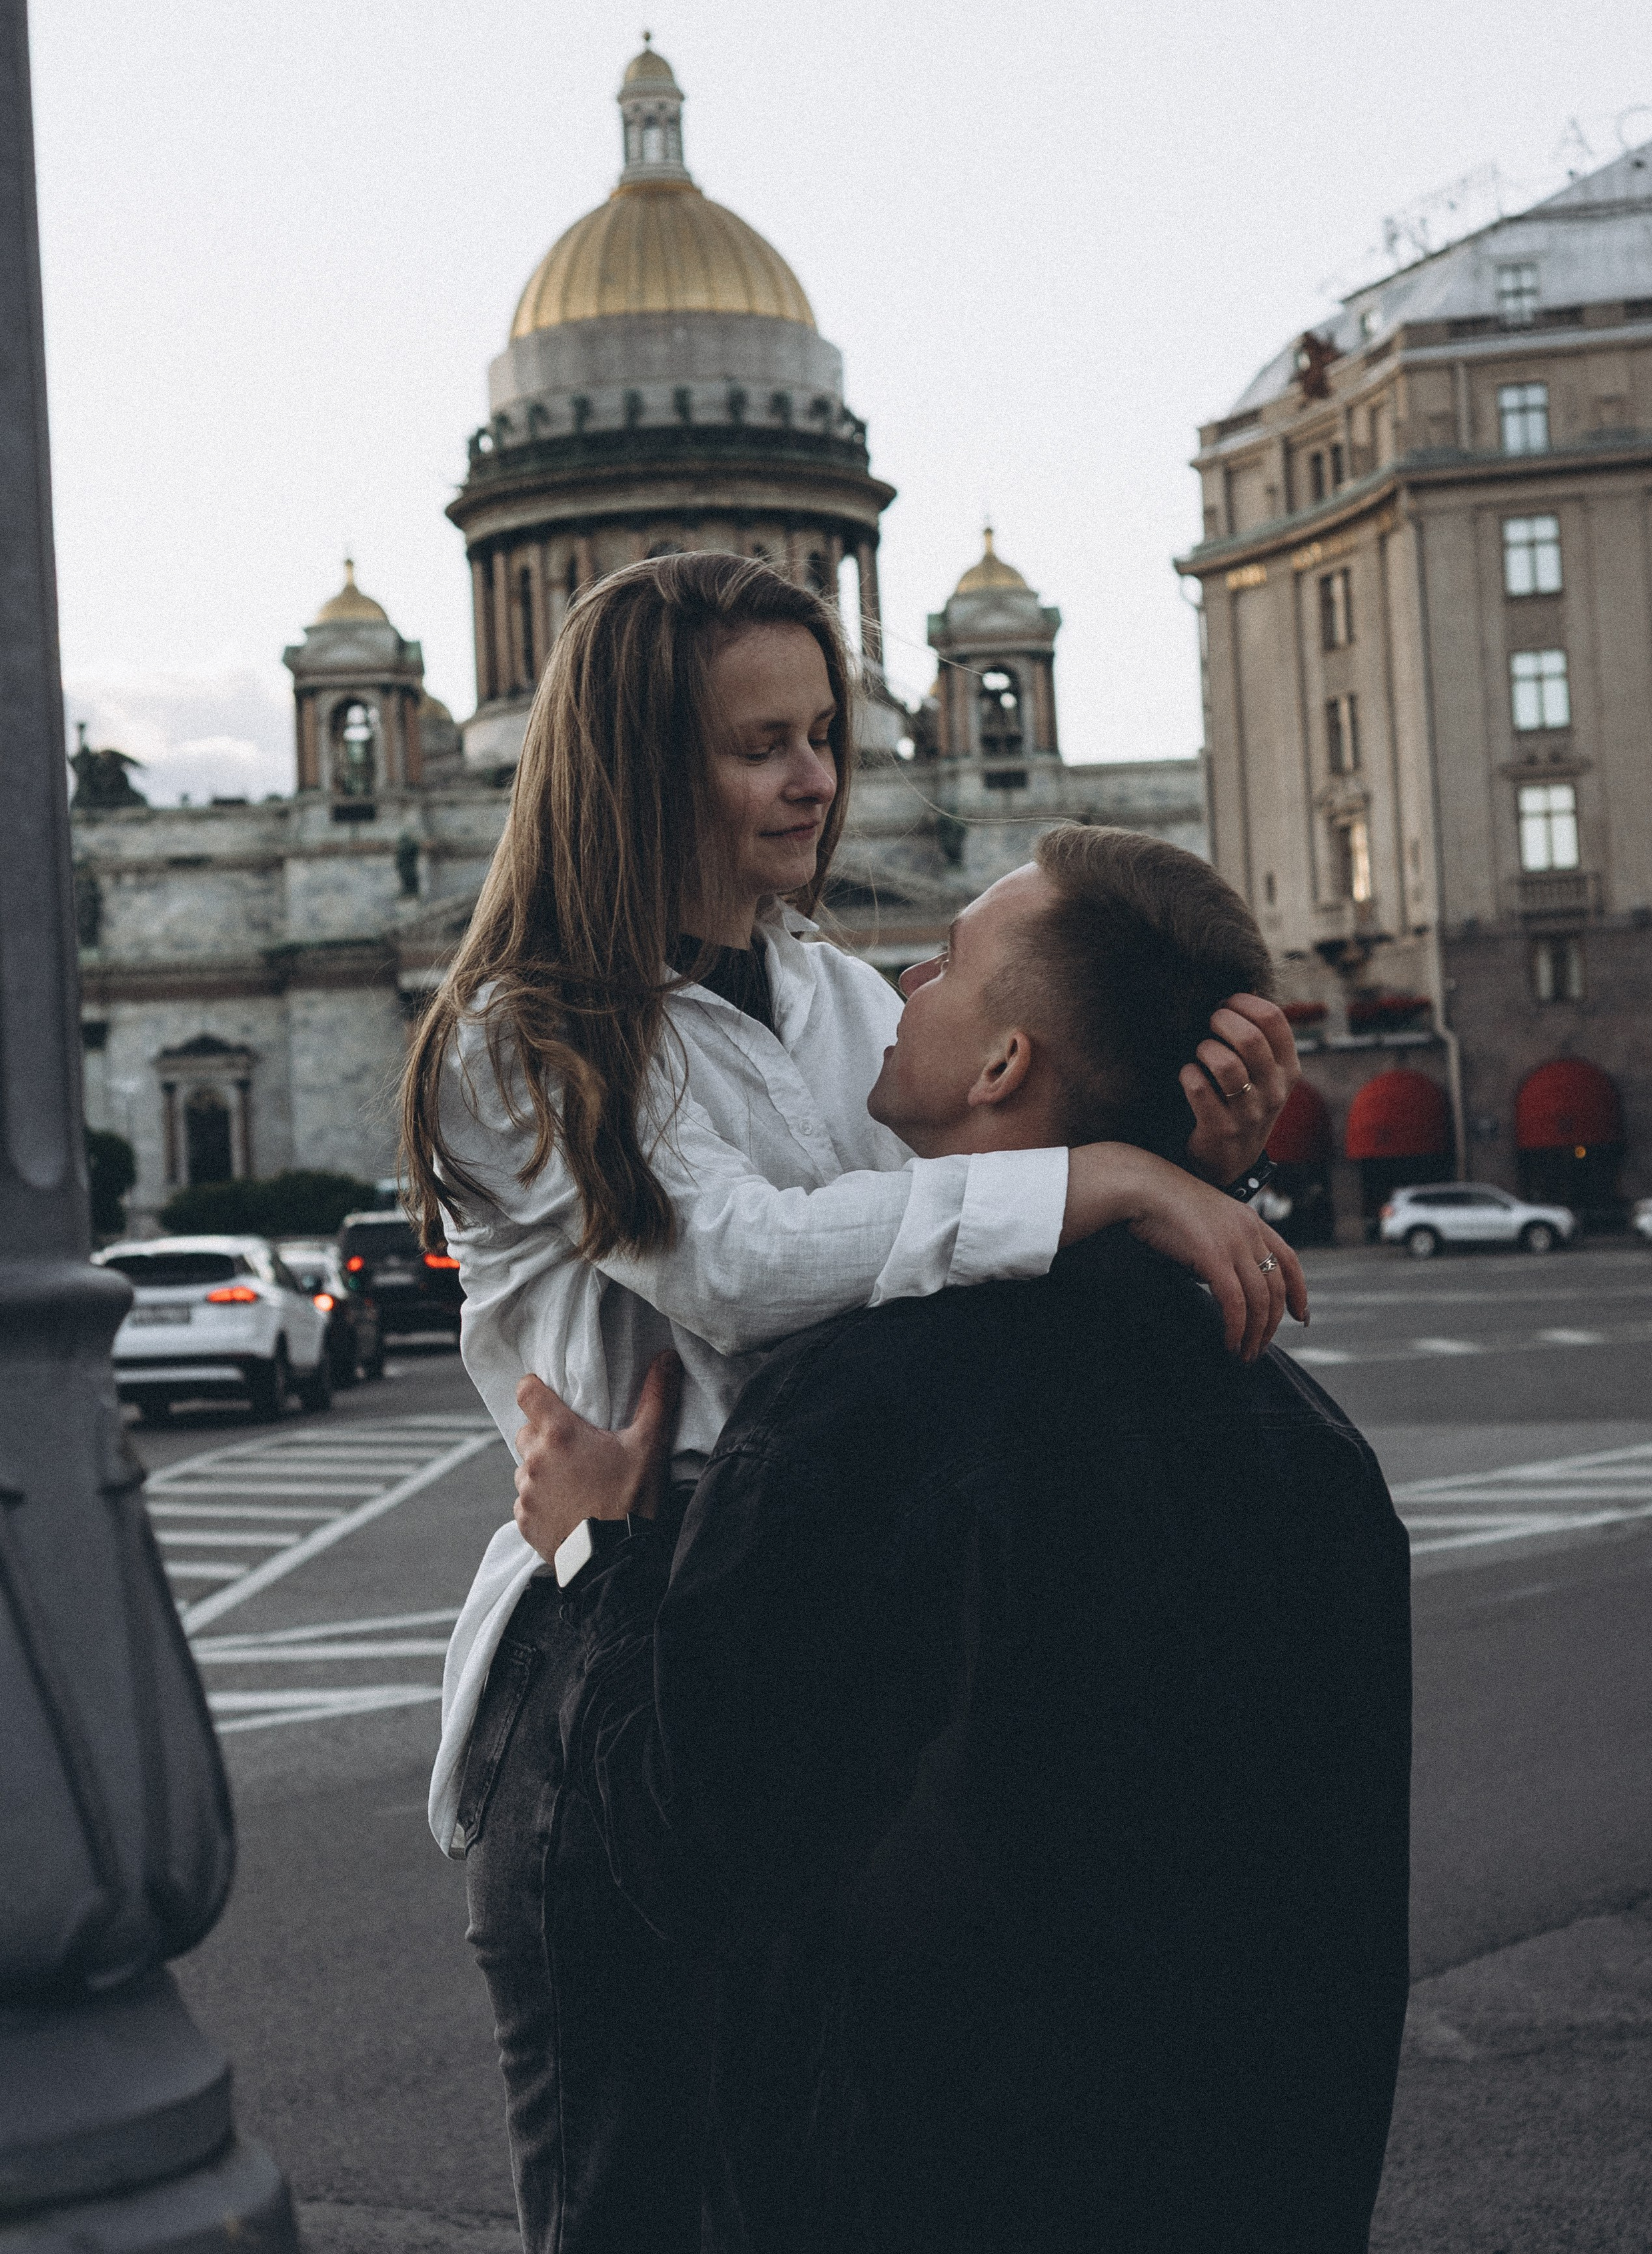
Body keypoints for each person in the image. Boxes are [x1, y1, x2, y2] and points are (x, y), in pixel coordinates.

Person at [399, 552, 1306, 2251]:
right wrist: (1110, 1180)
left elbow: (962, 1262)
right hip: (606, 1639)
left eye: (822, 733)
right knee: (630, 2208)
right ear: (634, 769)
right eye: (758, 747)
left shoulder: (834, 996)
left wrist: (1182, 1154)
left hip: (806, 1637)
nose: (815, 778)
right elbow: (742, 1268)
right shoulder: (525, 1033)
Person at [511, 827, 1413, 2254]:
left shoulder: (853, 1421)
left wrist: (596, 1553)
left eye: (940, 962)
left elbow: (680, 1854)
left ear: (1002, 1065)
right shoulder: (1307, 1445)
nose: (900, 983)